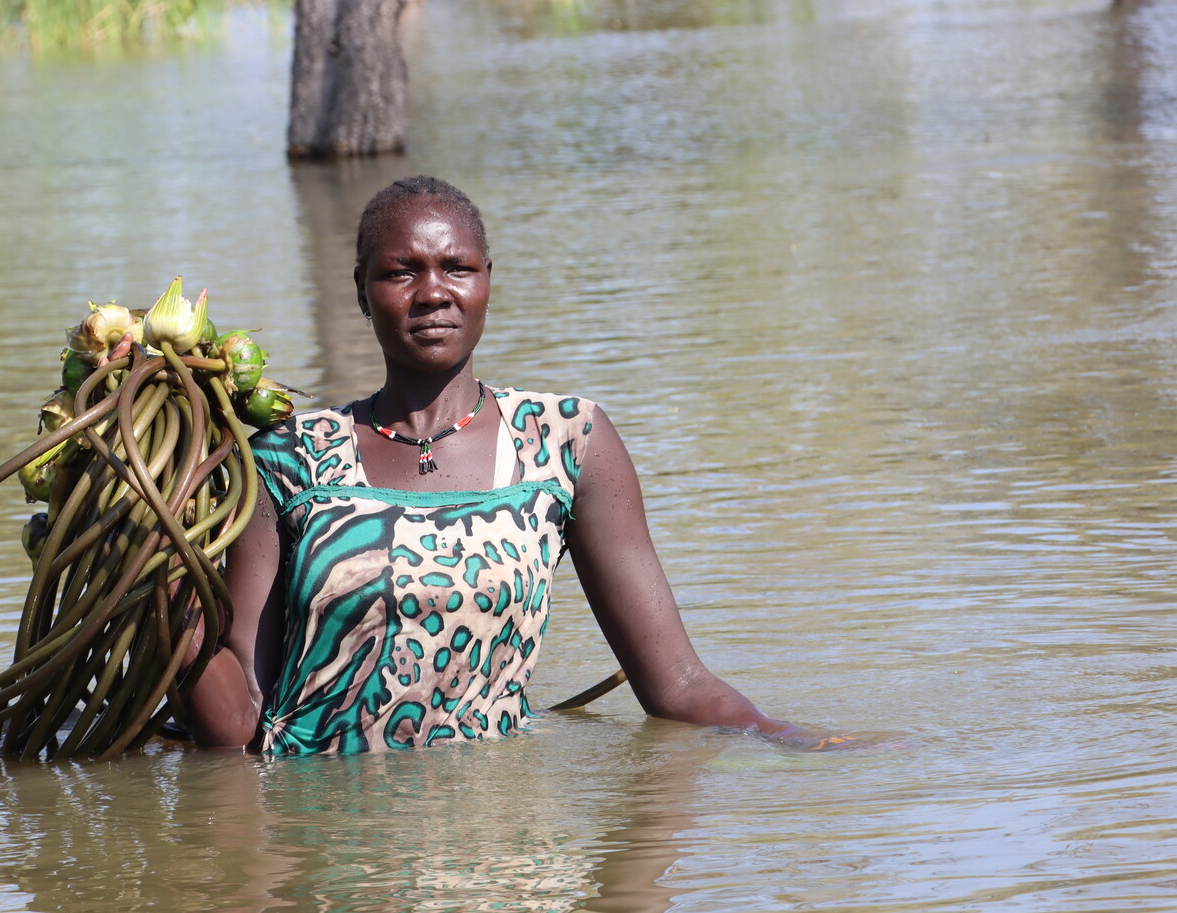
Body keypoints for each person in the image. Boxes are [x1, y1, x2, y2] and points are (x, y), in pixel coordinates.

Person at [185, 176, 835, 756]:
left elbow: (678, 684)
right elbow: (239, 720)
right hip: (325, 855)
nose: (433, 292)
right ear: (361, 291)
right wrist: (161, 576)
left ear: (488, 280)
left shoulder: (565, 440)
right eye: (400, 272)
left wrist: (798, 740)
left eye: (457, 267)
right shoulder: (286, 455)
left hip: (504, 857)